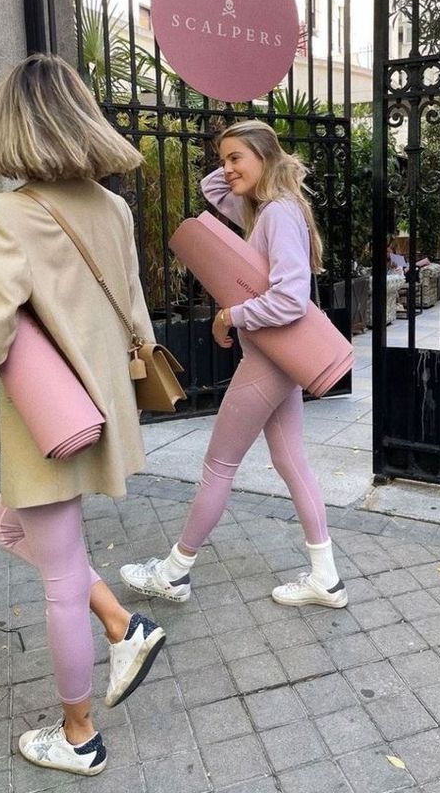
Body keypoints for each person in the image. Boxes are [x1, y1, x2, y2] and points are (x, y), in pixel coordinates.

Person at [0, 54, 165, 777]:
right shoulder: (112, 207)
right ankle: (124, 624)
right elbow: (139, 318)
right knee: (4, 526)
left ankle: (79, 734)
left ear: (7, 127)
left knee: (57, 578)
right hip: (103, 407)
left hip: (45, 419)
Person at [121, 120, 347, 609]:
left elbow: (290, 299)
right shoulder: (266, 210)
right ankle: (325, 579)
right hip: (279, 359)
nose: (224, 169)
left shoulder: (279, 215)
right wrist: (250, 168)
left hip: (268, 359)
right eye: (222, 159)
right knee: (291, 463)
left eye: (235, 159)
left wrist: (231, 313)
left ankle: (175, 572)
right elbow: (211, 190)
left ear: (263, 156)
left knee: (218, 466)